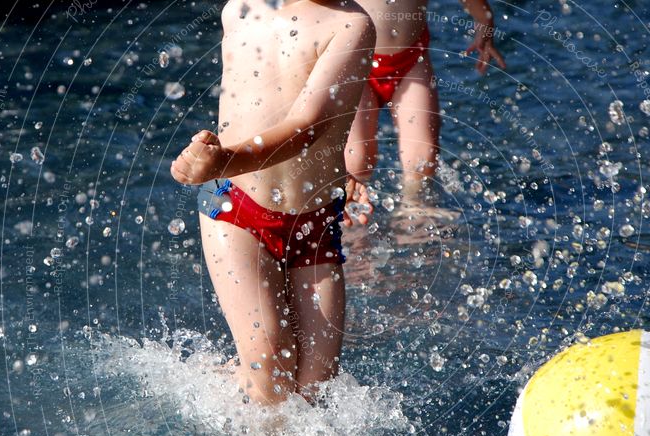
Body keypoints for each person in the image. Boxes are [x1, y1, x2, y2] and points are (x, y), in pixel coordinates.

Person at [170, 0, 376, 405]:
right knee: (270, 369)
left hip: (314, 221)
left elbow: (307, 128)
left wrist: (223, 159)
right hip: (236, 206)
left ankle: (234, 376)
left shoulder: (352, 25)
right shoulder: (240, 9)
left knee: (316, 388)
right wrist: (212, 162)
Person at [346, 0, 506, 217]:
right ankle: (351, 222)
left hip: (411, 58)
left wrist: (484, 22)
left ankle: (415, 216)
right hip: (352, 59)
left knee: (423, 159)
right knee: (356, 160)